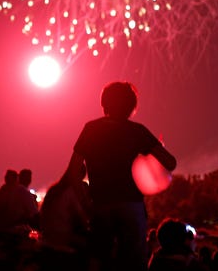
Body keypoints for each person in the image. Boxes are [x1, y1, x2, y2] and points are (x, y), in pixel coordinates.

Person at [67, 81, 177, 271]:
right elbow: (170, 163)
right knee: (133, 263)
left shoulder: (91, 129)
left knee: (99, 260)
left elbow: (73, 171)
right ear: (132, 106)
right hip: (131, 205)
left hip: (100, 204)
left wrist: (86, 204)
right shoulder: (138, 131)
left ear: (104, 104)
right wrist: (154, 150)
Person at [39, 161, 91, 270]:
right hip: (62, 240)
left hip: (46, 239)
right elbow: (82, 218)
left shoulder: (54, 189)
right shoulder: (72, 191)